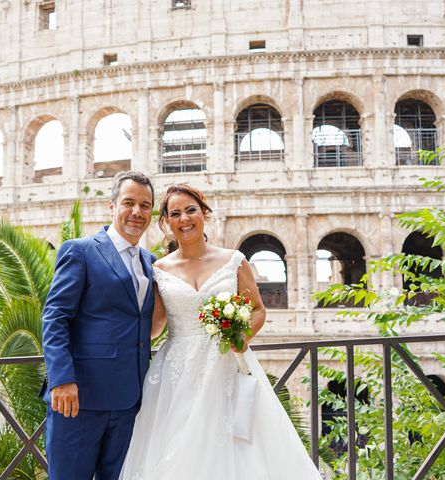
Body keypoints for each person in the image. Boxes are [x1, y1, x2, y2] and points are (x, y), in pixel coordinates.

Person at [119, 184, 322, 479]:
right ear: (166, 222)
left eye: (190, 210)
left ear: (204, 213)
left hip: (227, 363)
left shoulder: (233, 260)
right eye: (175, 213)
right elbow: (157, 325)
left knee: (238, 446)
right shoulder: (159, 269)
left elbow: (257, 309)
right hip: (177, 371)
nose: (184, 219)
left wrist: (242, 337)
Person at [42, 171, 155, 480]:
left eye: (145, 206)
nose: (137, 212)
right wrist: (61, 379)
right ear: (112, 206)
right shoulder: (80, 250)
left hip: (131, 400)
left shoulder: (150, 261)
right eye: (129, 203)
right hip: (79, 398)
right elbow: (55, 317)